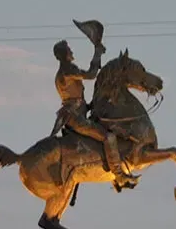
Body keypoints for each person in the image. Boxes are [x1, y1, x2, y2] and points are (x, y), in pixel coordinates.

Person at [49, 39, 138, 190]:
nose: (72, 52)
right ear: (64, 54)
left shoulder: (64, 71)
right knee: (108, 137)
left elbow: (76, 99)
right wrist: (97, 52)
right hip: (76, 118)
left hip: (78, 113)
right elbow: (91, 75)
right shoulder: (67, 70)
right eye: (69, 50)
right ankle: (119, 175)